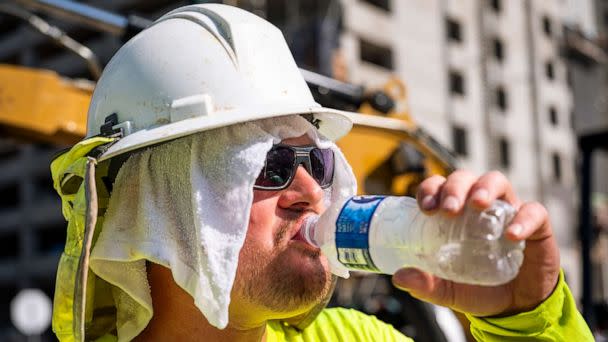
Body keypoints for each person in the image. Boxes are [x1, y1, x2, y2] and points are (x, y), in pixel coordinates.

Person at [49, 4, 592, 341]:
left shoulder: (357, 338)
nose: (312, 193)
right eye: (269, 166)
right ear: (154, 205)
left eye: (318, 161)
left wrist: (527, 319)